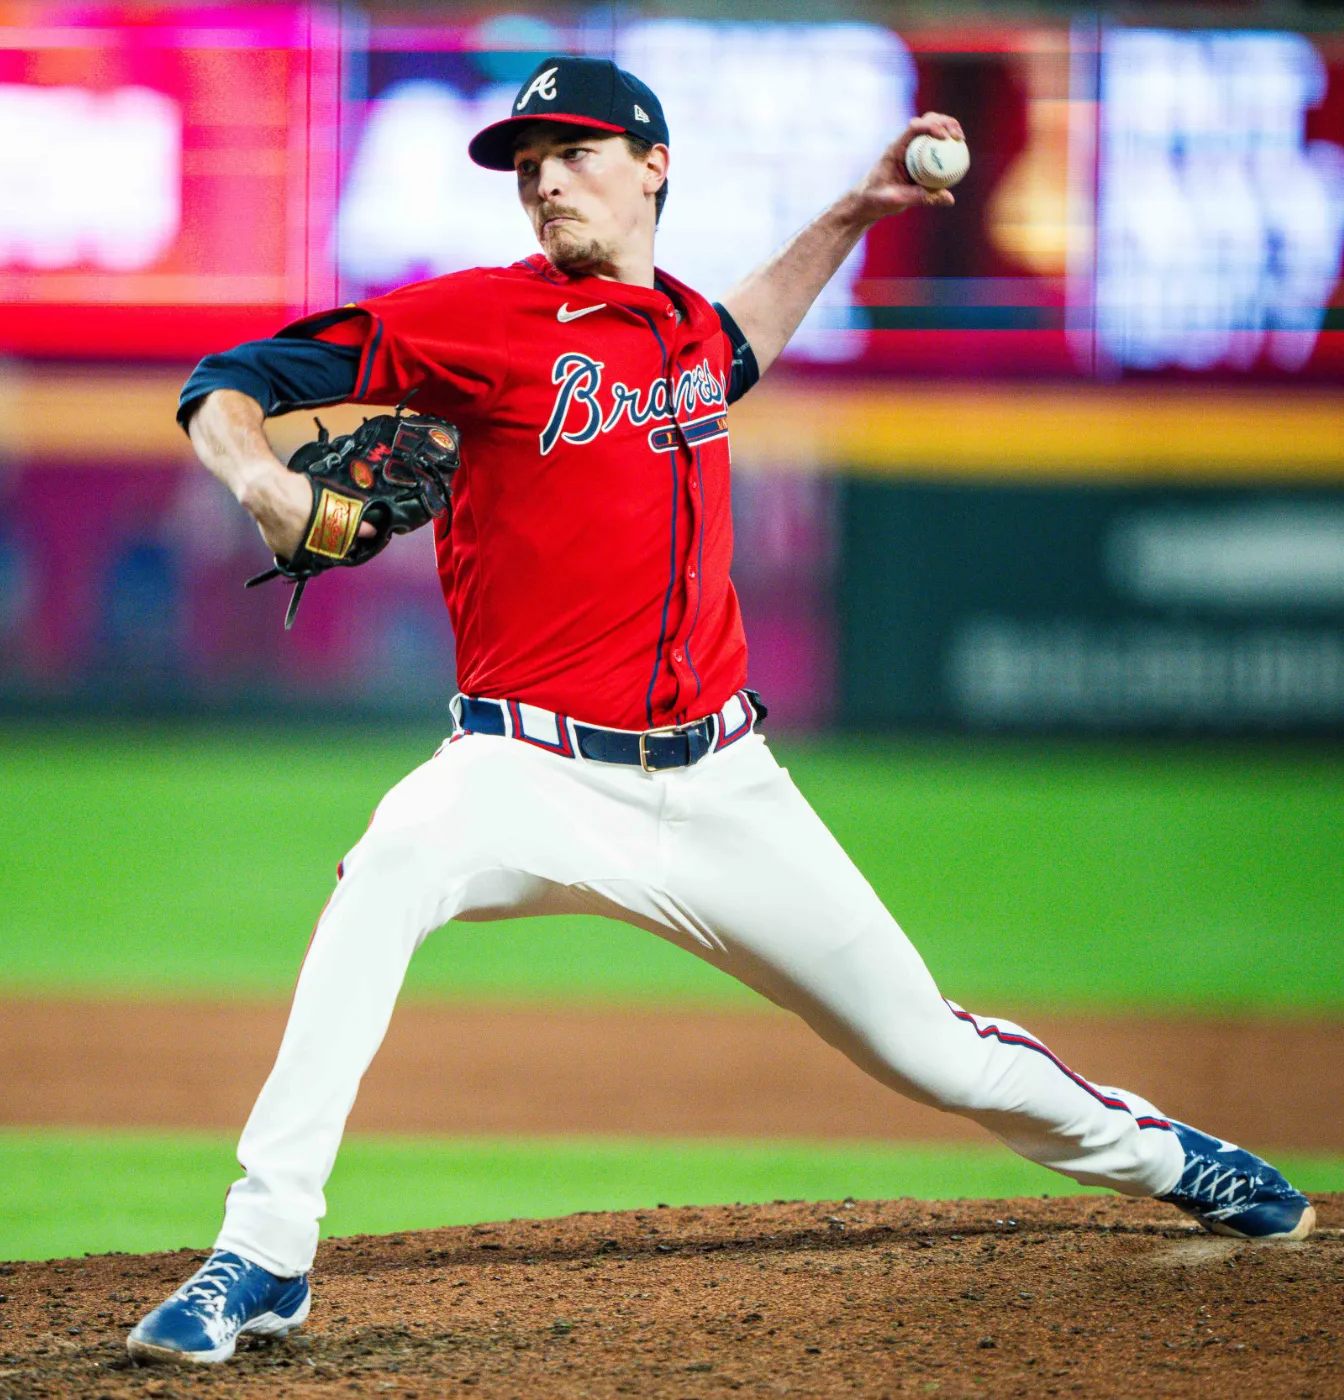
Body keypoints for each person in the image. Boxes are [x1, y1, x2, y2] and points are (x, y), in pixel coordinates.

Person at [127, 56, 1314, 1366]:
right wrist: (260, 480)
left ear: (653, 166)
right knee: (387, 868)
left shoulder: (688, 332)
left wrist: (855, 213)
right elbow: (229, 377)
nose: (542, 177)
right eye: (527, 161)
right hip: (524, 770)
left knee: (932, 1051)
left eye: (572, 150)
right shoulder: (470, 321)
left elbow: (742, 336)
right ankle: (265, 1250)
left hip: (726, 786)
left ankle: (1168, 1157)